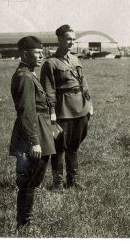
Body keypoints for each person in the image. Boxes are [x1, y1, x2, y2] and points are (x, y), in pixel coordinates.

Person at [41, 24, 93, 190]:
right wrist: (52, 113)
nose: (71, 42)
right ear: (60, 40)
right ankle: (57, 184)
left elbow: (83, 83)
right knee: (59, 147)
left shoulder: (75, 59)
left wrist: (89, 104)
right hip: (63, 111)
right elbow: (48, 91)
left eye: (73, 39)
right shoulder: (51, 63)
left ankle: (73, 180)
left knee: (74, 145)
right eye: (68, 39)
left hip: (81, 108)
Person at [10, 36, 54, 228]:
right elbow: (27, 112)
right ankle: (24, 224)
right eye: (37, 52)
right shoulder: (25, 77)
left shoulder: (29, 74)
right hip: (32, 133)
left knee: (33, 179)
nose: (41, 55)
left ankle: (25, 221)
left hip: (40, 129)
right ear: (25, 54)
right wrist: (34, 141)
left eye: (41, 52)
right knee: (28, 181)